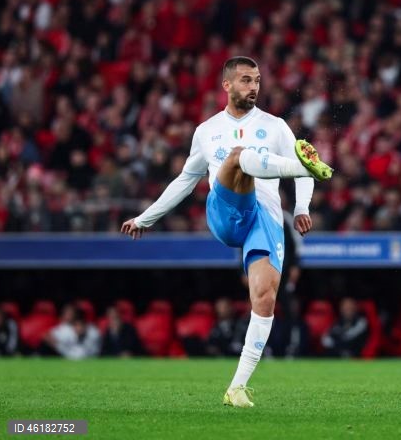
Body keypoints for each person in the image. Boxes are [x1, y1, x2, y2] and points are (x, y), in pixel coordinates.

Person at [121, 56, 333, 408]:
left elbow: (302, 179)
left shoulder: (276, 125)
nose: (254, 87)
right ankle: (299, 162)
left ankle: (236, 387)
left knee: (265, 299)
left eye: (258, 80)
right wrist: (146, 217)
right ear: (227, 85)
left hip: (264, 218)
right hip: (225, 212)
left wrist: (300, 209)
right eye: (247, 80)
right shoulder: (207, 131)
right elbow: (185, 181)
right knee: (238, 157)